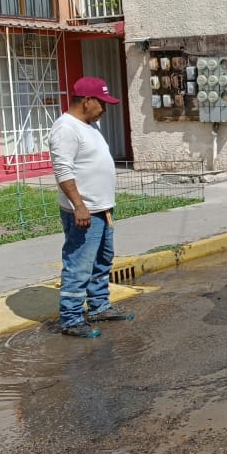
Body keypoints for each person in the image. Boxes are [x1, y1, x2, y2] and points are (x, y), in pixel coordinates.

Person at [49, 77, 132, 338]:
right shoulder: (65, 128)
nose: (105, 108)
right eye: (102, 103)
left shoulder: (90, 125)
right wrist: (79, 205)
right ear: (87, 101)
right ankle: (71, 319)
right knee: (78, 264)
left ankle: (98, 306)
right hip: (85, 211)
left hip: (102, 209)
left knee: (101, 260)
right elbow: (63, 170)